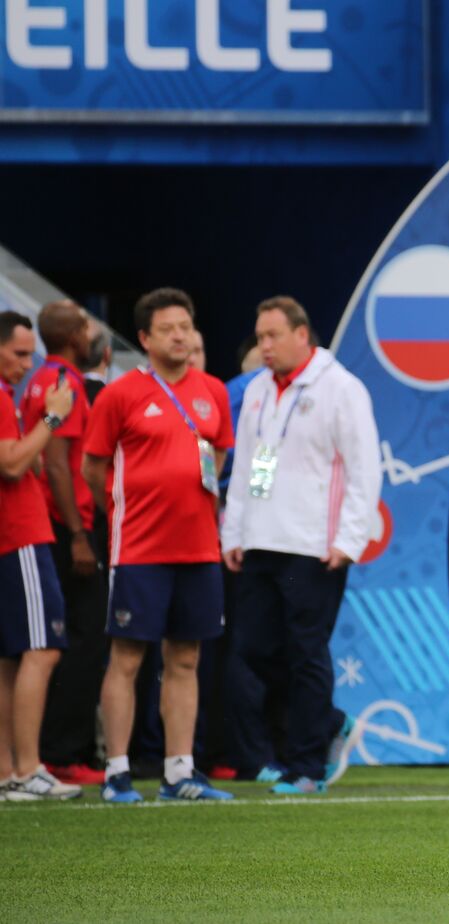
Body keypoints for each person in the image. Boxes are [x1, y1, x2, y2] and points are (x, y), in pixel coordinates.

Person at [82, 288, 236, 803]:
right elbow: (93, 466)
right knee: (127, 657)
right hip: (140, 550)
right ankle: (117, 771)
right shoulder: (120, 394)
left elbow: (219, 453)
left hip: (199, 549)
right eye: (168, 328)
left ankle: (178, 772)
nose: (180, 335)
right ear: (144, 338)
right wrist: (125, 514)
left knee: (186, 659)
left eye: (186, 326)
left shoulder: (213, 389)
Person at [221, 297, 380, 794]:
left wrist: (349, 539)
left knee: (306, 651)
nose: (263, 347)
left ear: (301, 334)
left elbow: (364, 468)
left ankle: (307, 767)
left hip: (314, 545)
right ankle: (329, 721)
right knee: (254, 650)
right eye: (259, 337)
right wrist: (234, 532)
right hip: (261, 540)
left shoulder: (341, 388)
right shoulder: (257, 392)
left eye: (272, 336)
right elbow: (246, 466)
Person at [23, 301, 105, 785]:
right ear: (75, 336)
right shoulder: (65, 383)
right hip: (65, 526)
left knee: (62, 639)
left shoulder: (37, 379)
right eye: (86, 324)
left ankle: (54, 750)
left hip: (52, 523)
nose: (92, 331)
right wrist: (77, 534)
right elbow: (55, 463)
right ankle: (64, 752)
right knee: (83, 639)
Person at [0, 311, 80, 800]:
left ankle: (9, 771)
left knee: (9, 659)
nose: (27, 364)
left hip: (13, 536)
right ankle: (28, 769)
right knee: (43, 648)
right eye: (19, 354)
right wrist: (52, 416)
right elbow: (13, 463)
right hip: (20, 534)